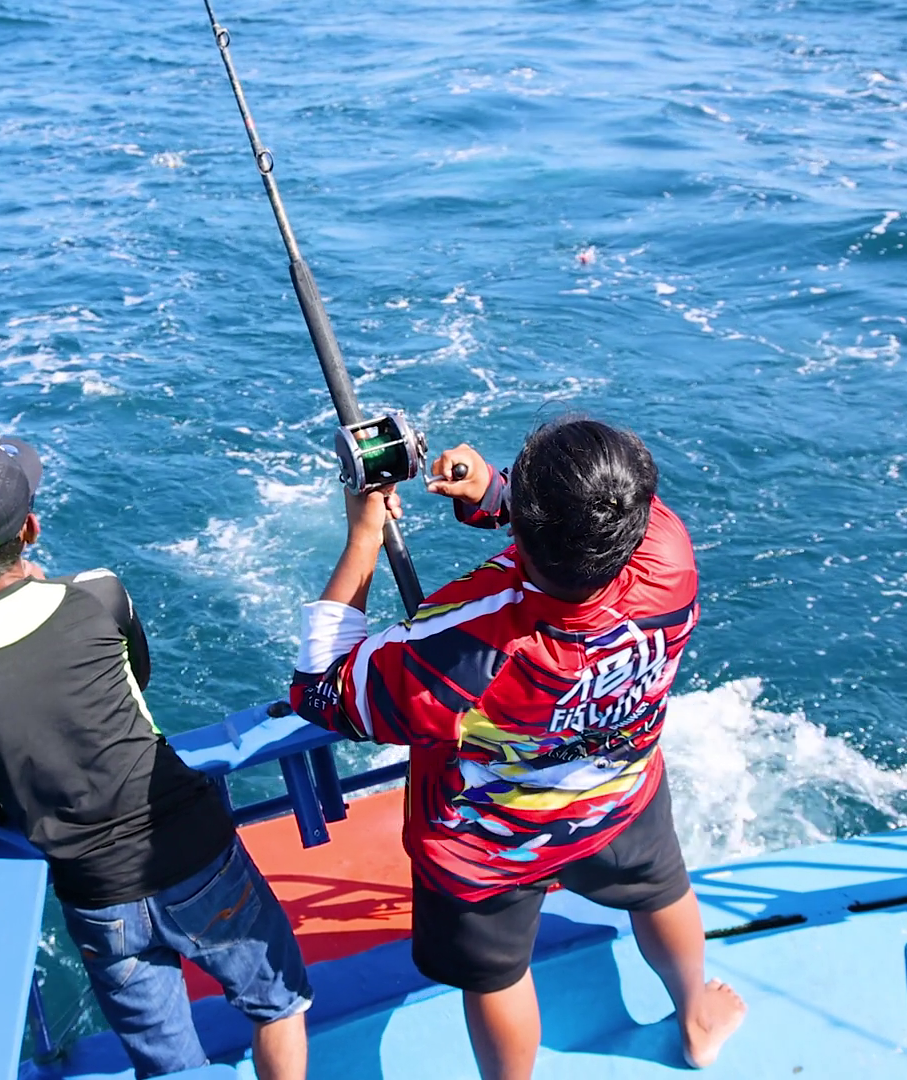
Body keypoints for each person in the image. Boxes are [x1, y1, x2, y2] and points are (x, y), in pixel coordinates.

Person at [290, 417, 745, 1078]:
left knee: (497, 975)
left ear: (528, 535)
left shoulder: (466, 646)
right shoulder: (667, 554)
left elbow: (322, 691)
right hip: (618, 796)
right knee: (661, 891)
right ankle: (696, 1019)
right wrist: (495, 495)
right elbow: (596, 527)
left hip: (490, 845)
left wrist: (364, 537)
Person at [0, 437, 311, 1080]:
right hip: (195, 852)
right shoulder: (98, 593)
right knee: (277, 1004)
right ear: (31, 529)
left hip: (95, 896)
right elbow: (134, 679)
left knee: (168, 1065)